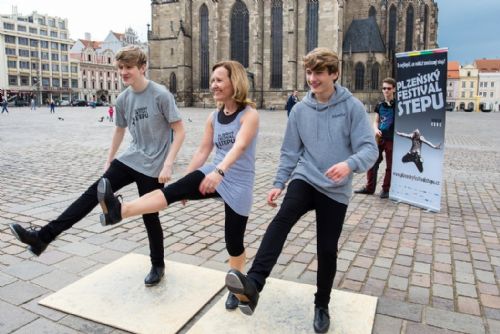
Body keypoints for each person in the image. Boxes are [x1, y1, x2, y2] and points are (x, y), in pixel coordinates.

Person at [223, 47, 378, 333]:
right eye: (309, 72)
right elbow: (290, 152)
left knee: (327, 249)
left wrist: (348, 165)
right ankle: (254, 285)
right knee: (282, 219)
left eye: (319, 72)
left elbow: (370, 149)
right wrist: (278, 183)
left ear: (334, 74)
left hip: (335, 188)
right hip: (305, 178)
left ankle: (321, 304)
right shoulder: (300, 110)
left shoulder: (352, 107)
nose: (312, 78)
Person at [9, 45, 186, 287]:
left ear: (142, 67)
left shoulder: (160, 94)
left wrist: (168, 164)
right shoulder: (123, 98)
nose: (124, 72)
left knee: (149, 215)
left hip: (154, 164)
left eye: (129, 67)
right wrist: (109, 160)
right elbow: (120, 130)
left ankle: (158, 265)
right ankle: (42, 237)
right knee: (91, 194)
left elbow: (179, 130)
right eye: (121, 68)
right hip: (131, 158)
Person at [96, 60, 259, 310]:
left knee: (233, 241)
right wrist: (187, 182)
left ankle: (236, 288)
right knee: (171, 192)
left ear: (233, 82)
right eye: (212, 80)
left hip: (237, 181)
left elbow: (240, 146)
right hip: (212, 173)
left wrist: (220, 171)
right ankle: (120, 209)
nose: (213, 84)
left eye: (219, 80)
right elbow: (204, 150)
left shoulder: (249, 115)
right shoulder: (214, 117)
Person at [354, 77, 396, 199]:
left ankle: (385, 189)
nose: (386, 91)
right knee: (372, 162)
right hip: (379, 138)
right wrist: (376, 129)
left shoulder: (398, 105)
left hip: (391, 139)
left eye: (388, 88)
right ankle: (369, 188)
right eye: (384, 88)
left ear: (394, 89)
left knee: (390, 165)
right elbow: (376, 121)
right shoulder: (379, 105)